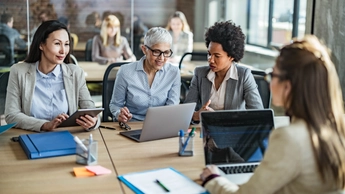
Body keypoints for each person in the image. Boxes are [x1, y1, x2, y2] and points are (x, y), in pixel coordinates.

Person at [200, 35, 345, 193]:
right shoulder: (336, 130)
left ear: (287, 86)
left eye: (272, 75)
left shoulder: (289, 138)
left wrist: (213, 179)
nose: (269, 82)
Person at [4, 20, 100, 132]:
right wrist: (45, 125)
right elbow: (11, 115)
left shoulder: (75, 73)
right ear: (41, 45)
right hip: (31, 136)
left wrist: (93, 122)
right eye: (57, 44)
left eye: (66, 44)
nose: (63, 51)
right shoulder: (19, 71)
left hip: (66, 137)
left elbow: (91, 110)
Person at [184, 21, 263, 122]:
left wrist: (218, 118)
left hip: (232, 132)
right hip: (205, 131)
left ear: (231, 56)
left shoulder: (244, 76)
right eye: (209, 53)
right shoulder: (200, 73)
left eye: (217, 56)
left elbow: (258, 114)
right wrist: (196, 115)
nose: (210, 60)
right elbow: (186, 111)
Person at [109, 27, 180, 123]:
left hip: (160, 125)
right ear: (144, 49)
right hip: (132, 124)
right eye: (156, 52)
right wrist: (119, 114)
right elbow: (115, 105)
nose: (161, 58)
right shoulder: (125, 72)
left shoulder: (173, 73)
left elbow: (172, 108)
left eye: (166, 52)